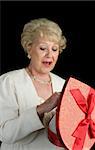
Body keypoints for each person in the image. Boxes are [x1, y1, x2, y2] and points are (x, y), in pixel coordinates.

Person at [0, 18, 67, 150]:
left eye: (54, 49)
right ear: (29, 48)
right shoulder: (9, 82)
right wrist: (42, 108)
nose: (49, 55)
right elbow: (5, 133)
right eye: (43, 48)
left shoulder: (63, 84)